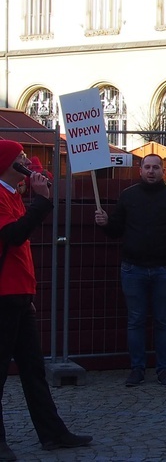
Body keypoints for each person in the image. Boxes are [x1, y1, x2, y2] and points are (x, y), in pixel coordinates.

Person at [0, 141, 92, 459]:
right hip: (3, 295)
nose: (28, 160)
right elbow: (13, 236)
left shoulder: (12, 194)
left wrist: (27, 294)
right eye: (21, 157)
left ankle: (52, 432)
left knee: (34, 369)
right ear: (9, 164)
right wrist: (41, 202)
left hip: (17, 295)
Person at [94, 154, 166, 388]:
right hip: (133, 269)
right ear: (140, 171)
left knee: (162, 321)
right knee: (135, 321)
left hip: (164, 270)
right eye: (147, 167)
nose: (151, 171)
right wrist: (105, 222)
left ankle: (164, 370)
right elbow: (117, 229)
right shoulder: (128, 196)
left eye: (155, 167)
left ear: (163, 172)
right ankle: (137, 369)